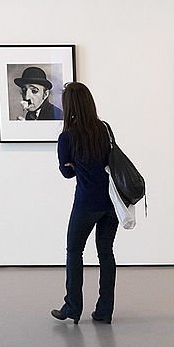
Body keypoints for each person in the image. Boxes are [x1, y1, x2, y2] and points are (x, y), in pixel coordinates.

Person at [51, 82, 117, 324]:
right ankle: (104, 311)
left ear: (69, 106)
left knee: (74, 252)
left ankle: (73, 307)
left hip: (86, 203)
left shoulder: (67, 136)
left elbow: (67, 173)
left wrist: (73, 166)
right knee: (106, 254)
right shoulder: (104, 129)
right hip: (111, 203)